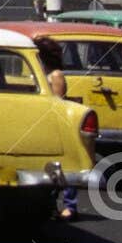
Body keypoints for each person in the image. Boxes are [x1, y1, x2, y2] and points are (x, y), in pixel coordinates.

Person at [36, 39, 77, 221]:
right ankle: (49, 204)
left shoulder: (56, 75)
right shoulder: (42, 73)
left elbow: (57, 101)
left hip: (56, 123)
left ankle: (70, 205)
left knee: (63, 165)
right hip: (42, 122)